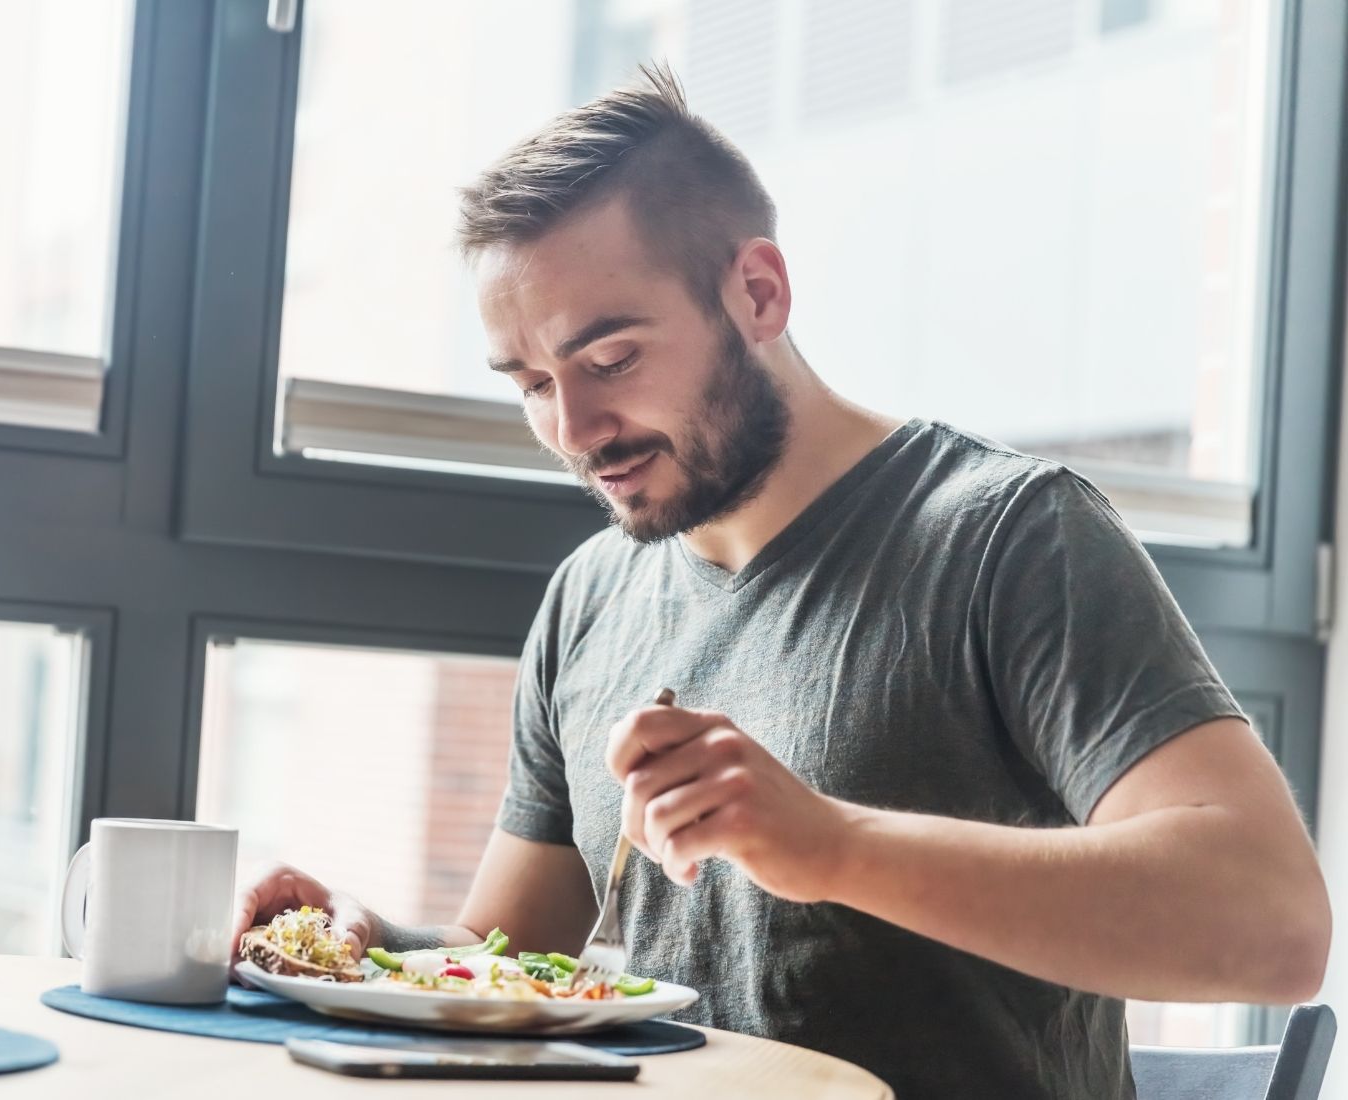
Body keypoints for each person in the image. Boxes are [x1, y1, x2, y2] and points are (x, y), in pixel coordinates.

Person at [232, 65, 1330, 1098]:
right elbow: (513, 956)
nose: (572, 431)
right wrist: (366, 942)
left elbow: (1272, 924)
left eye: (610, 359)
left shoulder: (1008, 537)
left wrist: (832, 845)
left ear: (756, 292)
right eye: (530, 383)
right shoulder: (589, 595)